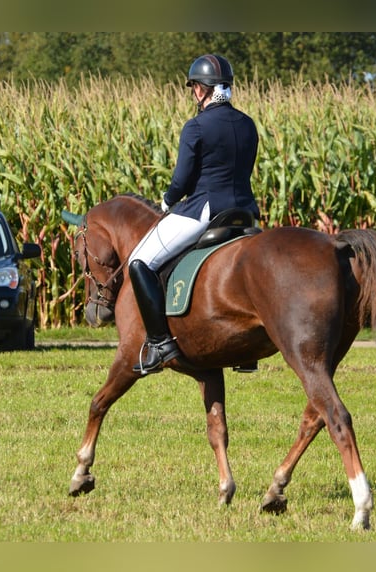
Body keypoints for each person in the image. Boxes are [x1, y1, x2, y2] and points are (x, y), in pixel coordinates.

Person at [128, 54, 261, 374]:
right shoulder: (247, 123)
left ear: (202, 90)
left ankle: (160, 343)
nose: (192, 95)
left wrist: (166, 201)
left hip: (204, 209)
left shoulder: (197, 126)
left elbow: (183, 180)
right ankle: (248, 351)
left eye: (193, 89)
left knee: (139, 262)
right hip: (245, 213)